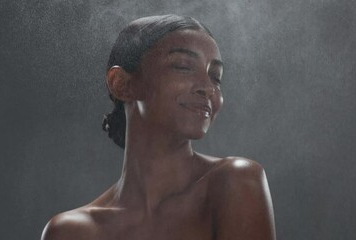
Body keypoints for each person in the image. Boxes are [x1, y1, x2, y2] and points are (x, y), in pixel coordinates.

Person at [41, 14, 276, 240]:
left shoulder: (235, 183)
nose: (208, 88)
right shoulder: (70, 232)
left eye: (216, 77)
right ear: (121, 84)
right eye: (184, 66)